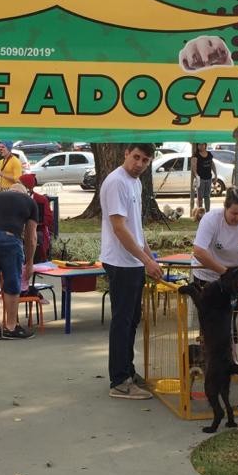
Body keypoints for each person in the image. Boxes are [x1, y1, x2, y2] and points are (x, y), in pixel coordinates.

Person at [100, 144, 163, 399]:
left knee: (132, 319)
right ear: (126, 153)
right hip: (120, 262)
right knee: (122, 322)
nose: (139, 164)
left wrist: (149, 257)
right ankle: (119, 381)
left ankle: (128, 371)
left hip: (133, 262)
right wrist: (146, 260)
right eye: (136, 157)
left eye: (145, 160)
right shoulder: (117, 182)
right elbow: (119, 228)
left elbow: (136, 228)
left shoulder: (135, 183)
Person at [0, 184, 38, 340]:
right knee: (12, 282)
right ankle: (11, 327)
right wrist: (30, 262)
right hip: (9, 238)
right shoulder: (29, 202)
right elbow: (31, 237)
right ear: (25, 193)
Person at [191, 144, 215, 213]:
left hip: (209, 178)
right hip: (200, 178)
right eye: (199, 145)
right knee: (200, 197)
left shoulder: (209, 154)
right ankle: (200, 213)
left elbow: (212, 164)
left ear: (205, 145)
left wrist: (215, 174)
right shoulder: (196, 155)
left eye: (202, 144)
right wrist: (196, 175)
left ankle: (208, 212)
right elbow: (194, 167)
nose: (201, 146)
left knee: (207, 196)